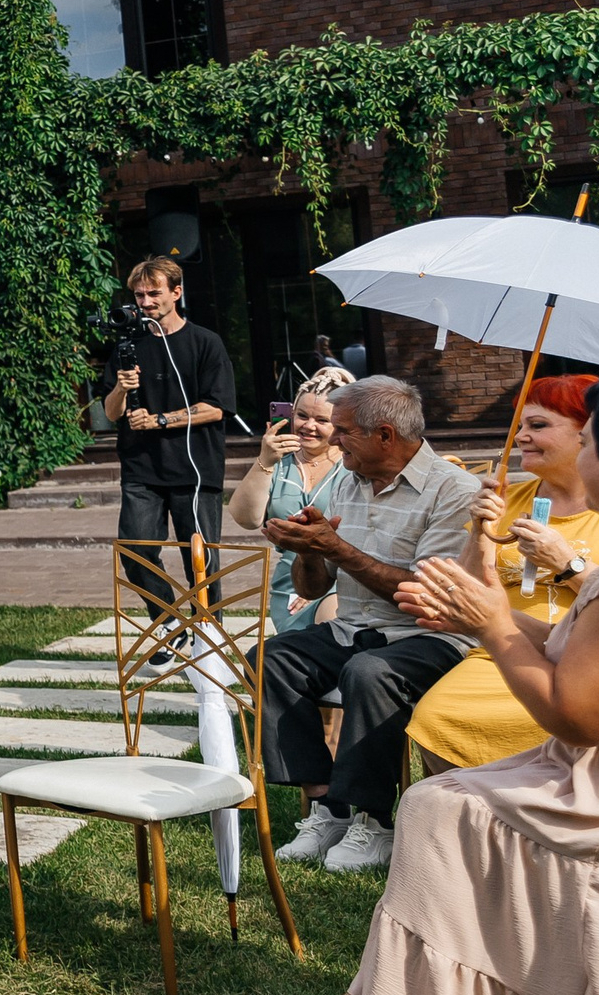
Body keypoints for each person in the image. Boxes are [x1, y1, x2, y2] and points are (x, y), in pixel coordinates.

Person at [286, 370, 599, 995]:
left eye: (582, 434)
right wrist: (485, 611)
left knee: (435, 808)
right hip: (581, 765)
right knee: (436, 801)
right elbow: (569, 639)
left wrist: (495, 622)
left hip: (596, 789)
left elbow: (581, 717)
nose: (533, 439)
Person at [259, 375, 481, 874]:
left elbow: (425, 597)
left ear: (385, 435)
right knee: (275, 658)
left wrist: (336, 548)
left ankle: (376, 821)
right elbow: (315, 589)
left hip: (430, 636)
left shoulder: (453, 491)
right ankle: (329, 806)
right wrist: (306, 549)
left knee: (369, 671)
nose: (334, 440)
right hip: (352, 629)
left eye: (344, 430)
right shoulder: (349, 483)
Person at [407, 371, 599, 772]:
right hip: (503, 647)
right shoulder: (508, 498)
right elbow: (471, 589)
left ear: (584, 433)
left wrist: (566, 563)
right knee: (436, 717)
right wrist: (482, 532)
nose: (521, 436)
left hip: (583, 657)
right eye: (520, 425)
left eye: (538, 426)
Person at [99, 258, 237, 625]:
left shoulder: (205, 342)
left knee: (201, 562)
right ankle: (169, 622)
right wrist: (121, 388)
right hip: (142, 468)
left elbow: (218, 408)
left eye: (153, 293)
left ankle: (210, 637)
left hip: (195, 468)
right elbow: (112, 413)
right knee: (135, 551)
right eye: (138, 295)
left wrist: (161, 420)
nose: (145, 302)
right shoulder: (128, 346)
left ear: (176, 292)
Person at [225, 366, 351, 633]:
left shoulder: (353, 466)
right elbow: (246, 519)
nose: (309, 426)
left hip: (343, 576)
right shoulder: (280, 462)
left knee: (331, 632)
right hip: (290, 581)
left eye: (322, 420)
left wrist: (317, 584)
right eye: (302, 416)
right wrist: (265, 461)